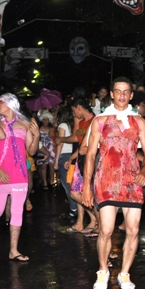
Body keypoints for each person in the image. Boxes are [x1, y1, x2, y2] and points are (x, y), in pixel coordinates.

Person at [82, 77, 145, 289]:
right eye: (118, 91)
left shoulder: (139, 121)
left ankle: (124, 273)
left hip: (132, 181)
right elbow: (90, 155)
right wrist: (86, 186)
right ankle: (103, 271)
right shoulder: (100, 121)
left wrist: (144, 170)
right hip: (106, 180)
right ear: (111, 94)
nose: (121, 95)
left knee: (133, 230)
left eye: (126, 92)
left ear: (131, 95)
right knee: (105, 230)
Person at [0, 93, 40, 263]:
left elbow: (32, 151)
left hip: (19, 175)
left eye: (0, 102)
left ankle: (13, 250)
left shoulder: (24, 124)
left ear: (10, 103)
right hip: (0, 175)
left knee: (17, 211)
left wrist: (37, 136)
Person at [58, 99, 97, 234]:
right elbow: (80, 144)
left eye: (74, 110)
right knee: (75, 192)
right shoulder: (81, 122)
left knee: (83, 192)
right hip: (80, 160)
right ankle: (83, 221)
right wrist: (71, 158)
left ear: (79, 107)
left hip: (90, 161)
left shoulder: (95, 121)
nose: (73, 114)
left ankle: (96, 219)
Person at [36, 111, 56, 190]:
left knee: (51, 165)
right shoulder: (38, 129)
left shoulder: (51, 129)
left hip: (51, 148)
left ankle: (51, 181)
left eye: (47, 119)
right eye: (44, 119)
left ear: (49, 120)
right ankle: (44, 182)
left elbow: (54, 138)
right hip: (42, 148)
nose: (45, 121)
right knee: (43, 166)